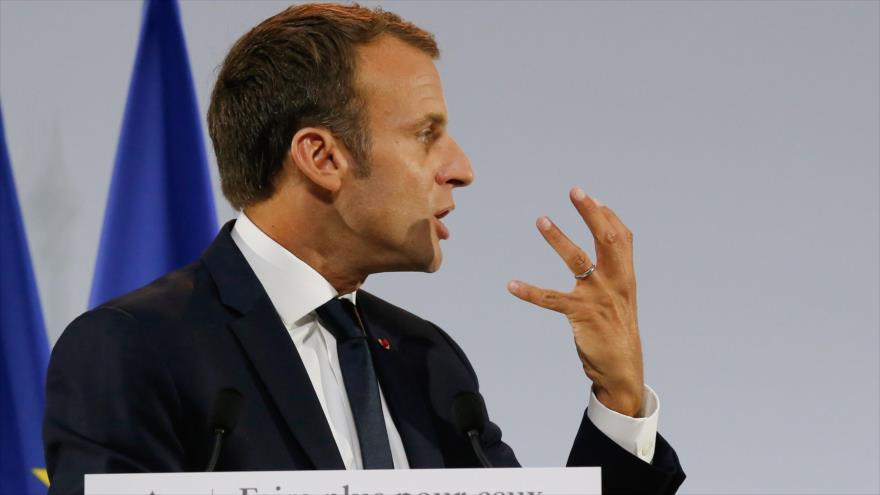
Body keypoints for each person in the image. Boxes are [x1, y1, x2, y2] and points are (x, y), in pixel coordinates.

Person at [43, 3, 685, 494]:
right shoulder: (135, 348)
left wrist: (619, 399)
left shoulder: (428, 362)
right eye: (426, 135)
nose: (460, 168)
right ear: (322, 157)